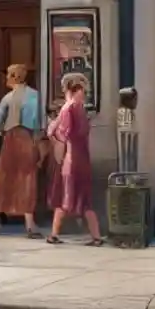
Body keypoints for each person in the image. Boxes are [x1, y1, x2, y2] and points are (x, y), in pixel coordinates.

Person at [45, 74, 102, 245]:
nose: (83, 94)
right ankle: (95, 237)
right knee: (82, 199)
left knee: (67, 197)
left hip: (72, 158)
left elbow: (64, 133)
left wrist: (54, 133)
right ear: (74, 90)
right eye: (81, 90)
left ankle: (55, 235)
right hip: (81, 156)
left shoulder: (68, 108)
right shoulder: (78, 109)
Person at [0, 63, 43, 238]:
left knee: (5, 179)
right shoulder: (36, 96)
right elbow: (40, 123)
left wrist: (2, 131)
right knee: (28, 180)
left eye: (8, 75)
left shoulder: (7, 99)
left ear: (13, 77)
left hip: (11, 140)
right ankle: (29, 224)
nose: (6, 78)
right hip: (29, 139)